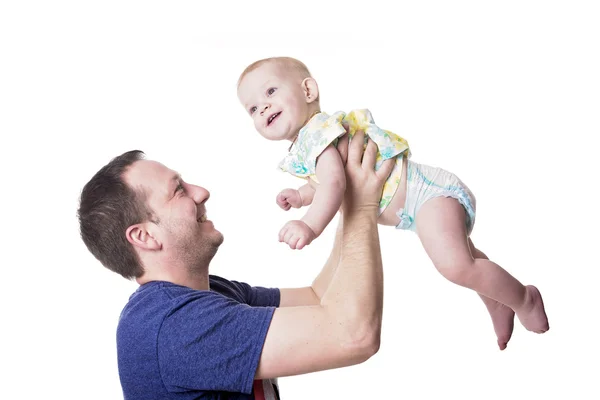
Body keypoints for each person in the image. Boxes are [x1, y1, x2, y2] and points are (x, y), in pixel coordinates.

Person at [236, 56, 549, 351]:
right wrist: (302, 195)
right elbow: (322, 182)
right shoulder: (309, 145)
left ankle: (524, 299)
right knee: (466, 258)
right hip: (418, 208)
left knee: (455, 265)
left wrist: (309, 224)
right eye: (252, 108)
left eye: (271, 92)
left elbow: (334, 183)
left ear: (308, 90)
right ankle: (497, 299)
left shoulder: (318, 134)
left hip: (428, 195)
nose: (263, 108)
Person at [77, 130, 394, 399]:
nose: (201, 192)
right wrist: (363, 204)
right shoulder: (175, 324)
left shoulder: (210, 294)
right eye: (179, 190)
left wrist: (344, 196)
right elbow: (354, 335)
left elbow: (318, 297)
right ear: (145, 235)